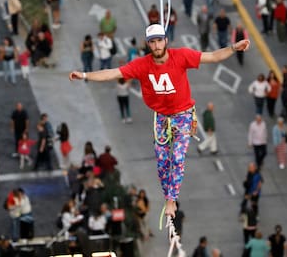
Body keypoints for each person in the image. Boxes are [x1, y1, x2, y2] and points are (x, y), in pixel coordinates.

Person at [69, 24, 250, 217]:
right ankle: (168, 196)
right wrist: (85, 75)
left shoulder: (180, 56)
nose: (156, 46)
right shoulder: (142, 65)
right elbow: (112, 74)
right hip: (162, 116)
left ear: (165, 41)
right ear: (148, 44)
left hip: (183, 114)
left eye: (159, 41)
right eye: (152, 42)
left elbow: (212, 56)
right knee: (162, 161)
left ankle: (172, 201)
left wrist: (233, 48)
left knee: (178, 157)